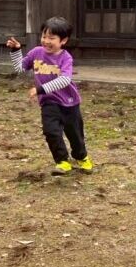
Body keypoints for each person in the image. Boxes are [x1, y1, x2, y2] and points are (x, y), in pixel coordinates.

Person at [6, 17, 93, 176]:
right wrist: (16, 50)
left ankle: (81, 157)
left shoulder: (66, 57)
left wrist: (40, 89)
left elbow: (65, 80)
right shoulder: (36, 53)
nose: (46, 41)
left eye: (51, 38)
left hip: (69, 103)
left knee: (75, 134)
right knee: (51, 132)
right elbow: (20, 69)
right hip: (49, 103)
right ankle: (62, 161)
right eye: (44, 36)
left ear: (63, 40)